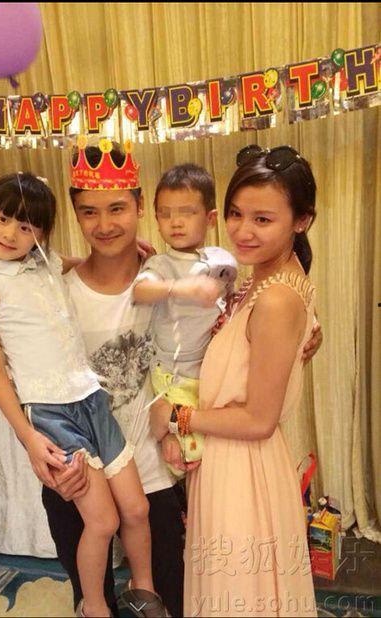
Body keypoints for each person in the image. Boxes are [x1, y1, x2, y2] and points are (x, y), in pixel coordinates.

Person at [0, 172, 166, 618]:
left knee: (135, 507)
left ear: (42, 233)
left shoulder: (46, 263)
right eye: (3, 219)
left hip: (92, 399)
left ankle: (144, 589)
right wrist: (30, 438)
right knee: (103, 521)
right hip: (51, 413)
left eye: (26, 226)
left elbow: (72, 262)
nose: (10, 234)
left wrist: (132, 247)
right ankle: (95, 607)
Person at [150, 145, 319, 616]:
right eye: (236, 214)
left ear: (301, 221)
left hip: (242, 470)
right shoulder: (268, 277)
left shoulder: (275, 297)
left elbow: (258, 420)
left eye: (263, 219)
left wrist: (176, 416)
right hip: (233, 461)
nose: (243, 230)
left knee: (238, 597)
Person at [42, 144, 187, 617]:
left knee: (169, 594)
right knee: (92, 597)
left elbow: (221, 325)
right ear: (76, 215)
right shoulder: (57, 294)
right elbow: (34, 382)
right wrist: (40, 455)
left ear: (140, 207)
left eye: (117, 208)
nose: (104, 224)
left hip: (151, 468)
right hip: (79, 469)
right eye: (90, 212)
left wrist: (306, 332)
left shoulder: (165, 283)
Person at [133, 164, 238, 472]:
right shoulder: (160, 264)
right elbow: (140, 290)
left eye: (187, 213)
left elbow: (235, 301)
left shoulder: (223, 261)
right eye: (165, 214)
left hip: (211, 372)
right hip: (173, 372)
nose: (175, 222)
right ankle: (168, 439)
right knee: (188, 453)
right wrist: (180, 287)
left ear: (210, 218)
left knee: (216, 446)